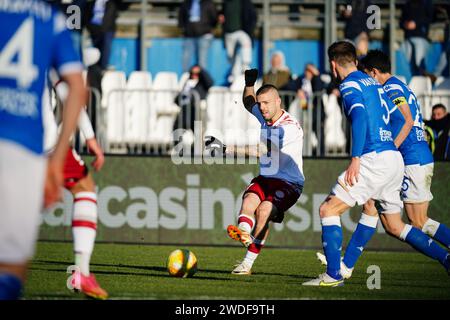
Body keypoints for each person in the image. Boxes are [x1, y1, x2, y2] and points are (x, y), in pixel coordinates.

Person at [302, 41, 449, 287]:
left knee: (328, 210)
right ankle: (444, 258)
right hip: (394, 159)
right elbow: (398, 117)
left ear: (333, 64)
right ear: (356, 62)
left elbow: (360, 117)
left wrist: (356, 158)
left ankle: (333, 275)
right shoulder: (374, 84)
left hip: (376, 157)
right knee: (393, 225)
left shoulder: (350, 84)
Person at [0, 0, 85, 299]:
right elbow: (76, 88)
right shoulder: (51, 20)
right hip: (25, 147)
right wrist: (57, 158)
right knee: (11, 267)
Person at [226, 69, 305, 275]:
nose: (262, 108)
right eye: (260, 104)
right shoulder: (264, 114)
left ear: (279, 101)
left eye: (266, 103)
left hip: (289, 183)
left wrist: (227, 149)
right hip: (267, 178)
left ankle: (247, 264)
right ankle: (244, 233)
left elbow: (260, 152)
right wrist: (249, 84)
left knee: (264, 211)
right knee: (249, 201)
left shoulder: (288, 128)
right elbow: (248, 103)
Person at [44, 59, 108, 300]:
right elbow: (68, 91)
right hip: (41, 137)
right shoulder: (42, 33)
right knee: (84, 188)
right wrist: (90, 138)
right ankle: (81, 271)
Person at [218, 0, 257, 83]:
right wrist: (220, 16)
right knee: (231, 55)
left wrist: (250, 28)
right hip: (229, 34)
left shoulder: (245, 2)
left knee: (246, 42)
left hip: (241, 31)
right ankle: (234, 73)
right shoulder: (226, 2)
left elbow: (253, 15)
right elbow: (221, 12)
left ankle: (246, 66)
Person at [86, 0, 131, 70]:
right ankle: (96, 68)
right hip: (94, 29)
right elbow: (88, 12)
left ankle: (103, 68)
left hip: (108, 28)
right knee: (95, 51)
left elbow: (124, 6)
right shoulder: (94, 2)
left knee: (106, 49)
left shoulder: (112, 2)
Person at [178, 0, 218, 72]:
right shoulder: (186, 3)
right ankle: (186, 78)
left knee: (202, 60)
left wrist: (208, 28)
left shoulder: (208, 3)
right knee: (186, 59)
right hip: (188, 35)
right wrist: (184, 29)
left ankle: (202, 79)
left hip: (204, 35)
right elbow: (181, 17)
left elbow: (214, 18)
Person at [175, 65, 213, 132]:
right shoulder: (187, 83)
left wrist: (200, 70)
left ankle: (197, 142)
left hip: (197, 110)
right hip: (185, 110)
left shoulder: (202, 84)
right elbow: (179, 96)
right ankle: (177, 142)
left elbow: (210, 82)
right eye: (193, 73)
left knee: (197, 131)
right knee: (178, 128)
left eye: (197, 74)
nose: (194, 75)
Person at [400, 0, 433, 76]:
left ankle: (423, 77)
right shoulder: (407, 4)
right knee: (407, 63)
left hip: (421, 37)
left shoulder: (427, 3)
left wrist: (416, 23)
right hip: (408, 37)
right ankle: (412, 81)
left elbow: (431, 18)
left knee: (419, 63)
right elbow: (401, 22)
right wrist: (405, 24)